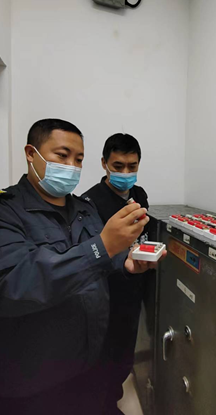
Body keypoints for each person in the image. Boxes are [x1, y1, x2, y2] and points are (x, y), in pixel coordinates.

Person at [0, 119, 164, 415]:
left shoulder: (83, 210)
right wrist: (102, 246)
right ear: (31, 153)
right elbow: (9, 285)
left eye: (78, 159)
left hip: (87, 371)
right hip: (24, 385)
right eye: (62, 156)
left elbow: (101, 264)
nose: (72, 167)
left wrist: (126, 264)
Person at [82, 133, 150, 415]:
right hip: (105, 294)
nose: (126, 173)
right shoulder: (90, 202)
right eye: (118, 166)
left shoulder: (139, 195)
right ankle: (102, 406)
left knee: (123, 357)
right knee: (101, 360)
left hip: (132, 290)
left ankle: (112, 401)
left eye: (132, 166)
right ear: (104, 164)